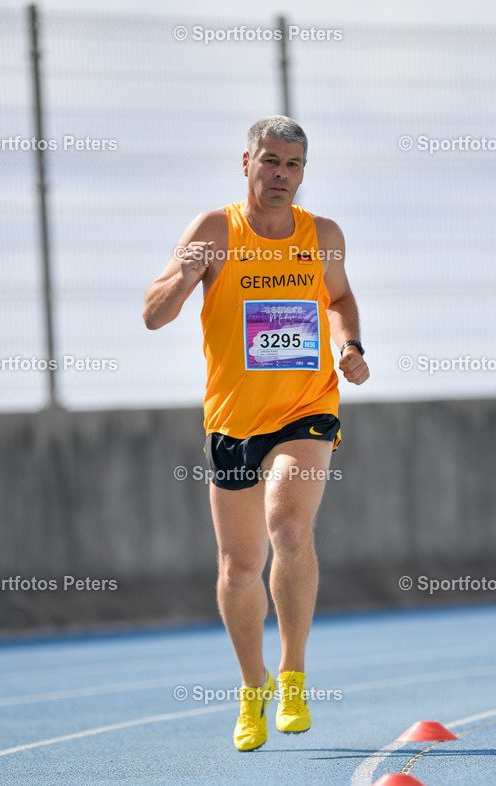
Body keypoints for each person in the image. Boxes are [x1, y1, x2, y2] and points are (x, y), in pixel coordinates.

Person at [143, 115, 369, 751]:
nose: (281, 176)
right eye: (270, 162)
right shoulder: (214, 231)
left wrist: (350, 344)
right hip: (234, 421)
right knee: (240, 566)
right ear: (245, 164)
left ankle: (294, 674)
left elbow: (341, 297)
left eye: (293, 165)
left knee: (290, 527)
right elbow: (153, 317)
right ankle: (253, 687)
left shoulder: (321, 234)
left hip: (306, 405)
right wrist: (186, 277)